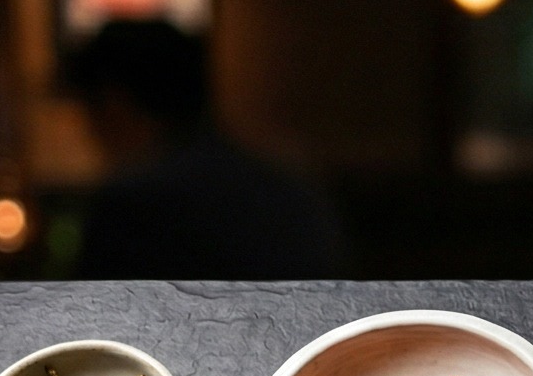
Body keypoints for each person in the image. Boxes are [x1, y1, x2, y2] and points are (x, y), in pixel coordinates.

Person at [70, 20, 341, 280]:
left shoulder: (133, 205)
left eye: (89, 113)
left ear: (114, 104)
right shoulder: (291, 191)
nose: (89, 133)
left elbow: (97, 315)